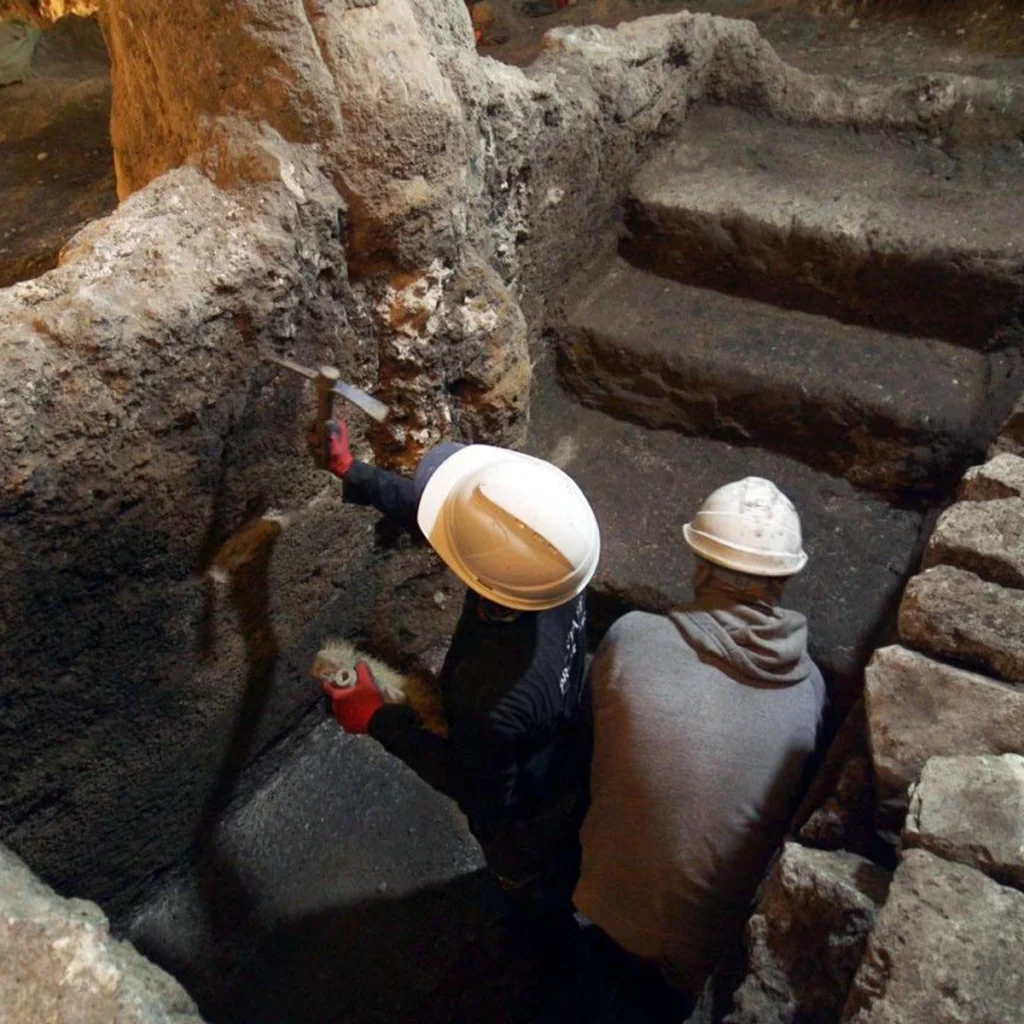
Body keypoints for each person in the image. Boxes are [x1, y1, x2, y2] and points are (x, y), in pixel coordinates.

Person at [311, 421, 600, 930]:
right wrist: (353, 472)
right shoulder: (557, 553)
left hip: (527, 813)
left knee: (528, 877)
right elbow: (456, 526)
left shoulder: (489, 698)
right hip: (570, 741)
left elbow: (479, 790)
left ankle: (537, 923)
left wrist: (378, 719)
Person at [573, 477, 826, 1013]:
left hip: (600, 905)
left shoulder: (633, 636)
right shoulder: (811, 690)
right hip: (710, 951)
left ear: (700, 566)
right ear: (781, 583)